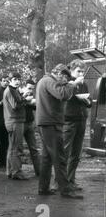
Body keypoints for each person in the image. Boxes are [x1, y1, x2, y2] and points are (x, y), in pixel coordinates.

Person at [36, 63, 84, 199]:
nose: (65, 82)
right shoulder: (49, 81)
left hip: (46, 122)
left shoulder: (44, 81)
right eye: (65, 79)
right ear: (60, 75)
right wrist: (73, 84)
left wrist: (69, 84)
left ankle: (43, 188)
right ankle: (66, 190)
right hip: (51, 123)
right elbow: (62, 94)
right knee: (60, 157)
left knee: (47, 158)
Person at [64, 59, 91, 191]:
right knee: (65, 151)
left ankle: (70, 180)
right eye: (78, 71)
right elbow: (65, 97)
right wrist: (74, 84)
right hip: (69, 120)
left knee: (76, 153)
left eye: (83, 71)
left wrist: (88, 101)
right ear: (71, 70)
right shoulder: (67, 82)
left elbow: (89, 100)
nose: (81, 73)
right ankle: (60, 182)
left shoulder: (84, 84)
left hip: (82, 119)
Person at [3, 72, 28, 180]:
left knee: (12, 147)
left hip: (14, 121)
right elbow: (15, 106)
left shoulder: (14, 90)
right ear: (9, 80)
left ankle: (10, 171)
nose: (17, 81)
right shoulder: (10, 91)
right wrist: (25, 98)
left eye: (19, 79)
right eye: (15, 79)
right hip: (14, 121)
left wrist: (22, 97)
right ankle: (16, 172)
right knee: (16, 147)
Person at [21, 79, 40, 176]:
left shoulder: (30, 95)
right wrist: (24, 100)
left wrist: (34, 104)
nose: (30, 90)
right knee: (18, 148)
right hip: (20, 123)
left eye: (32, 89)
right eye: (29, 88)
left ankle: (39, 171)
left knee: (34, 148)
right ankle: (17, 171)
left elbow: (34, 108)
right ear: (23, 86)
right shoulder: (17, 94)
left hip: (29, 123)